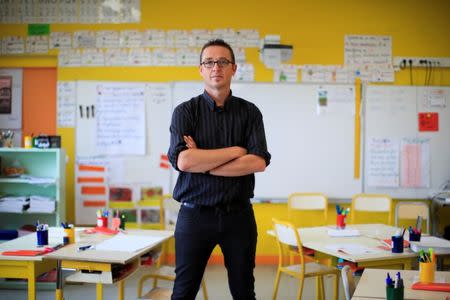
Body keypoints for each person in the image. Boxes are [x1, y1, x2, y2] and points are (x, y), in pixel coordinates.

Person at [167, 39, 271, 300]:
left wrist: (204, 163)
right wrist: (237, 152)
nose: (216, 67)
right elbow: (184, 162)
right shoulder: (185, 112)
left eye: (223, 62)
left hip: (239, 216)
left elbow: (258, 162)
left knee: (244, 291)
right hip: (194, 216)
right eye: (209, 62)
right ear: (200, 69)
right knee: (183, 292)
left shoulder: (250, 113)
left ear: (233, 68)